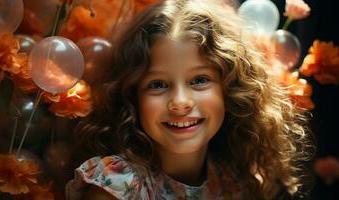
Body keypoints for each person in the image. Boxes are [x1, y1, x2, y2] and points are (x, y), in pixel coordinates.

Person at [65, 0, 313, 199]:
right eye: (158, 84)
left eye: (199, 80)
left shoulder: (234, 183)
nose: (180, 102)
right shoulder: (120, 185)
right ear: (131, 96)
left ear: (230, 88)